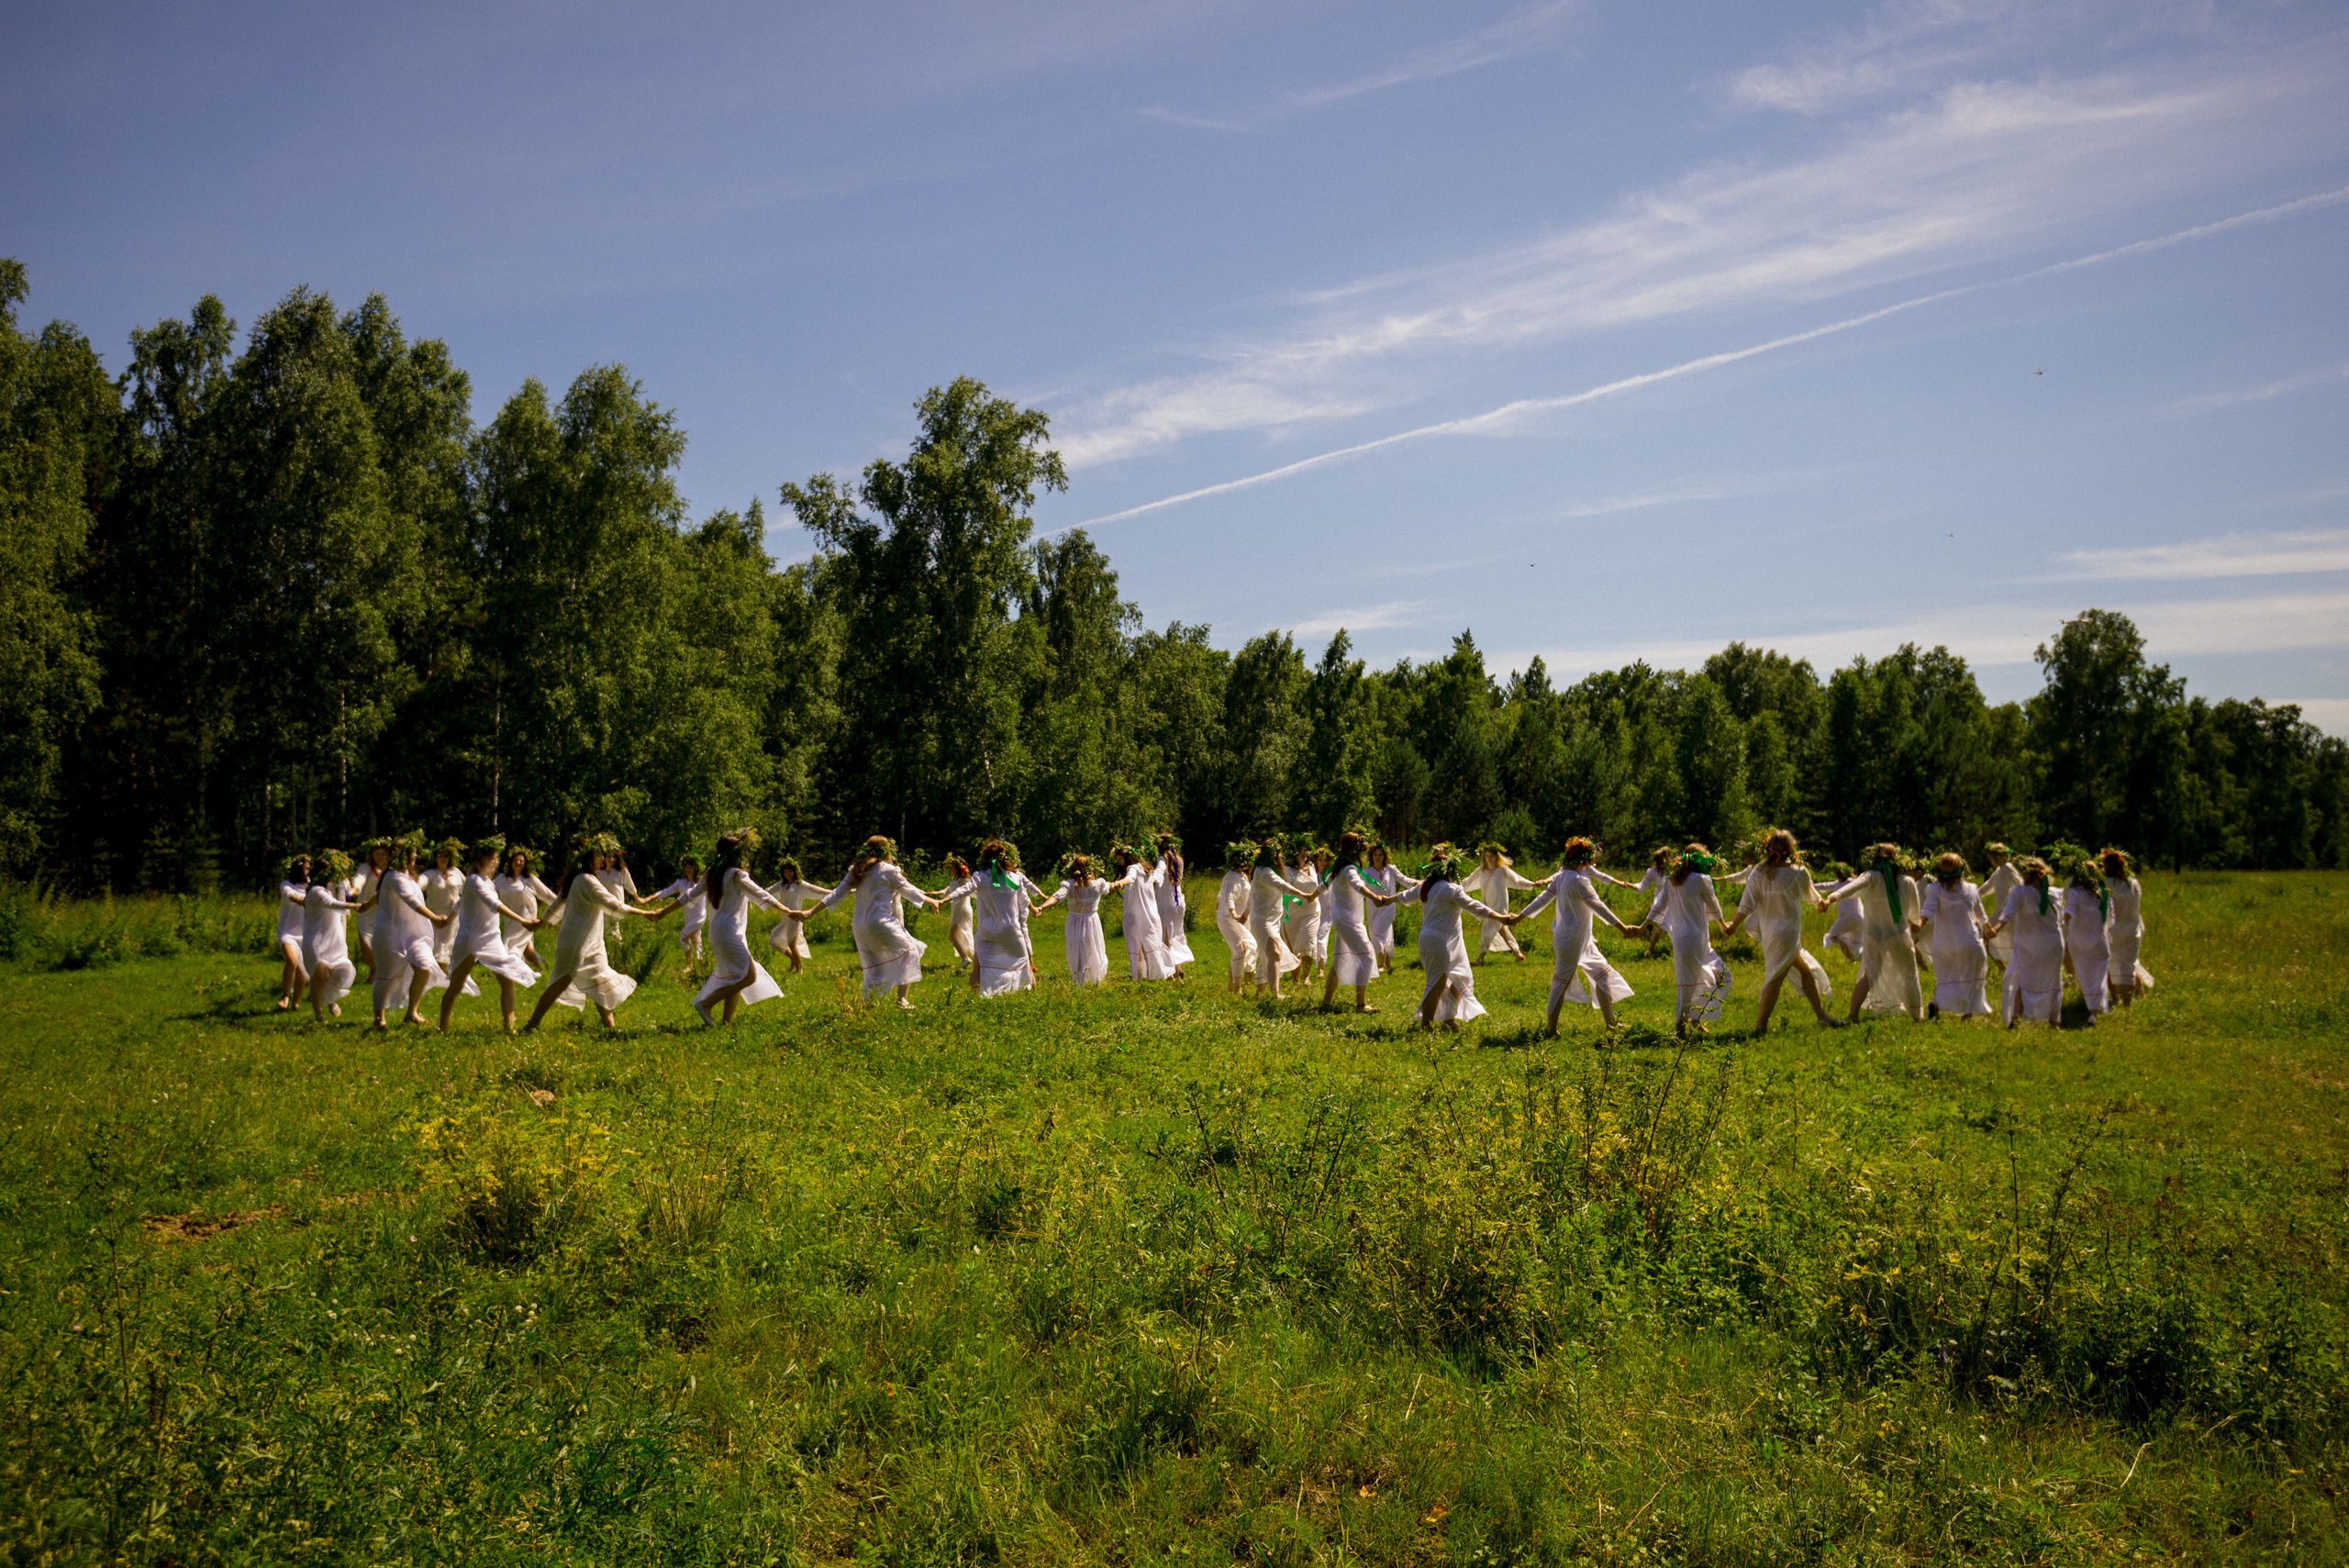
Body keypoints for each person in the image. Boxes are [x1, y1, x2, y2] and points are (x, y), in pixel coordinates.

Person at [524, 844, 673, 1030]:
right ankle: (531, 1024)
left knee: (599, 981)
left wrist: (540, 924)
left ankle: (610, 1027)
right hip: (576, 942)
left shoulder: (580, 878)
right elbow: (612, 903)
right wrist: (643, 913)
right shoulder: (586, 880)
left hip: (591, 943)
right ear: (588, 859)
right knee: (560, 982)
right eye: (599, 856)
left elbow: (556, 905)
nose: (603, 859)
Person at [1720, 829, 1838, 1032]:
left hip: (1771, 933)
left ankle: (1822, 1016)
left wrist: (1734, 924)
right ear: (1791, 849)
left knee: (1805, 972)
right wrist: (1822, 903)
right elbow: (1813, 897)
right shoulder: (1798, 871)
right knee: (1775, 978)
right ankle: (1760, 1027)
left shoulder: (1758, 871)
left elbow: (1746, 904)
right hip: (1788, 933)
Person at [802, 835, 941, 1007]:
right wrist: (931, 901)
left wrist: (809, 912)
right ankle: (901, 1000)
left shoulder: (856, 870)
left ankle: (865, 1007)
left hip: (859, 928)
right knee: (911, 950)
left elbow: (836, 893)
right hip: (880, 922)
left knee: (873, 969)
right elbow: (909, 890)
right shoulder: (889, 870)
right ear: (887, 851)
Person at [1519, 837, 1636, 1033]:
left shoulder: (1562, 876)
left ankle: (1611, 1024)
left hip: (1582, 940)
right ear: (1585, 860)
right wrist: (1623, 928)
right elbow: (1599, 907)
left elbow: (1542, 899)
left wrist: (1519, 917)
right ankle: (1550, 1029)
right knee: (1560, 984)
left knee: (1603, 976)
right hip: (1571, 941)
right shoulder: (1578, 881)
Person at [1410, 845, 1523, 1029]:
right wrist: (1501, 917)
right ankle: (1426, 1025)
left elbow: (1402, 896)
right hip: (1441, 941)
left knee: (1462, 977)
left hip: (1438, 940)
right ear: (1450, 870)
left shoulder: (1427, 887)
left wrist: (1383, 900)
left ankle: (1448, 1019)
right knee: (1438, 983)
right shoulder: (1450, 889)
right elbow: (1476, 907)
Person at [439, 843, 548, 1034]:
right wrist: (523, 920)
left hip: (491, 939)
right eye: (493, 859)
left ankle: (509, 1028)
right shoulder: (473, 880)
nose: (497, 863)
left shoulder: (488, 881)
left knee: (508, 980)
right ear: (483, 860)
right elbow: (493, 904)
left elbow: (462, 903)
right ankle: (443, 1028)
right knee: (456, 984)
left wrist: (448, 919)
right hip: (471, 939)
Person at [1821, 842, 1925, 1022]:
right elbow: (1913, 915)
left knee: (1869, 975)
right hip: (1897, 934)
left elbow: (1849, 888)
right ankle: (1916, 1017)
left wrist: (1830, 899)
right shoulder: (1907, 881)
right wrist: (1914, 924)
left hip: (1874, 934)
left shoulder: (1871, 877)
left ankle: (1852, 1015)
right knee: (1908, 974)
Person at [1639, 843, 1733, 1037]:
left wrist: (1642, 927)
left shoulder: (1672, 879)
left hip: (1691, 939)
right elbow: (1714, 907)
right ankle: (1680, 1031)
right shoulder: (1700, 879)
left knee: (1721, 977)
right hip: (1694, 938)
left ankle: (1693, 1019)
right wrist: (1724, 926)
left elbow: (1658, 907)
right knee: (1688, 985)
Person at [370, 835, 454, 1029]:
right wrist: (434, 917)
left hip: (413, 935)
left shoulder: (410, 878)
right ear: (400, 855)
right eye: (410, 853)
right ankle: (379, 1019)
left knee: (424, 967)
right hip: (390, 935)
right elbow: (411, 901)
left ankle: (411, 1012)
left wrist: (367, 904)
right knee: (386, 975)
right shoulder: (393, 877)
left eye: (414, 853)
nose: (415, 856)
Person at [1317, 829, 1399, 1013]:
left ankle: (1326, 1004)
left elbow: (1323, 886)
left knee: (1338, 962)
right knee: (1368, 957)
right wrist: (1374, 896)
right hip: (1348, 921)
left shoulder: (1339, 868)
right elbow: (1358, 885)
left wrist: (1309, 896)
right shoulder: (1349, 869)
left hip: (1343, 919)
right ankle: (1361, 1005)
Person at [952, 840, 1047, 995]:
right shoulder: (1015, 878)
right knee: (1025, 965)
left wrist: (943, 900)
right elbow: (1023, 899)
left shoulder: (981, 877)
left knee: (978, 967)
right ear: (1007, 858)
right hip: (1011, 931)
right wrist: (1035, 909)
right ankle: (1034, 994)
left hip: (987, 933)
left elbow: (965, 889)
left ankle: (972, 997)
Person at [1984, 857, 2064, 1030]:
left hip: (2027, 945)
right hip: (2053, 944)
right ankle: (2053, 1022)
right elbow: (2061, 920)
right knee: (2052, 981)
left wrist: (1995, 929)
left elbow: (2007, 914)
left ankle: (2015, 1019)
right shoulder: (2056, 892)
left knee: (2019, 980)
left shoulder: (2019, 892)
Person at [1917, 852, 1992, 1020]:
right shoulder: (1971, 888)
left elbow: (1927, 911)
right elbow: (1980, 914)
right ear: (1961, 869)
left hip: (1943, 943)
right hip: (1968, 940)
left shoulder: (1934, 889)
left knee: (1946, 976)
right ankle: (1968, 1013)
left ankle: (1937, 1001)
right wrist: (1988, 929)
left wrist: (1919, 925)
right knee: (1973, 974)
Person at [1245, 840, 1315, 999]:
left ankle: (1259, 993)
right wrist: (1303, 895)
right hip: (1263, 921)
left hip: (1272, 920)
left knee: (1267, 955)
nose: (1282, 856)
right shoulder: (1264, 872)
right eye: (1279, 853)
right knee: (1275, 953)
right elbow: (1282, 886)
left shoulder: (1266, 870)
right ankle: (1275, 993)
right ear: (1273, 855)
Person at [1034, 850, 1113, 986]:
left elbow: (1056, 897)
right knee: (1093, 947)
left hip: (1075, 921)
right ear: (1090, 867)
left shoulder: (1070, 885)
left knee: (1077, 949)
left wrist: (1042, 906)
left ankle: (1079, 978)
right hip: (1091, 920)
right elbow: (1111, 888)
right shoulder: (1098, 884)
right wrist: (1121, 882)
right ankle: (1095, 978)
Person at [300, 850, 362, 1020]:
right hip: (317, 941)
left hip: (334, 938)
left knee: (343, 970)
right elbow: (331, 903)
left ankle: (330, 998)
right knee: (320, 977)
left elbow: (347, 892)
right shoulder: (316, 892)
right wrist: (355, 906)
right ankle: (318, 1015)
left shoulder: (336, 887)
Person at [1103, 844, 1176, 981]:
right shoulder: (1147, 869)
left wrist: (1119, 882)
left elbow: (1129, 878)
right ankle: (1157, 976)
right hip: (1152, 915)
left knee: (1137, 948)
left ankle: (1140, 979)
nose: (1120, 863)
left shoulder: (1132, 868)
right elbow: (1157, 876)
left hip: (1136, 915)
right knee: (1152, 946)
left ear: (1127, 857)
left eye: (1120, 860)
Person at [494, 841, 561, 975]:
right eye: (517, 860)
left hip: (527, 915)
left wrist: (560, 904)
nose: (519, 863)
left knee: (509, 941)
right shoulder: (501, 879)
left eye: (522, 861)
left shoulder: (529, 879)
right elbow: (489, 891)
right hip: (510, 915)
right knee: (526, 946)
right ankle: (538, 970)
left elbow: (547, 894)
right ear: (511, 862)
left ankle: (507, 970)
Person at [1464, 843, 1539, 964]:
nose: (1489, 858)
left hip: (1499, 904)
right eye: (1487, 856)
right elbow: (1468, 881)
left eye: (1491, 856)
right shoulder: (1480, 871)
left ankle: (1480, 959)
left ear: (1497, 857)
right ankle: (1518, 953)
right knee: (1502, 930)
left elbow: (1517, 880)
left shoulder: (1502, 871)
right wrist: (1453, 887)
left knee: (1487, 928)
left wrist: (1532, 884)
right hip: (1487, 903)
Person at [2061, 858, 2112, 1022]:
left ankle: (2090, 1004)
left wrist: (2057, 922)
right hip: (2098, 938)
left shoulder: (2076, 892)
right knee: (2099, 973)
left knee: (2084, 972)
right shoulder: (2104, 894)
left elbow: (2070, 911)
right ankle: (2094, 1010)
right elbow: (2111, 919)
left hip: (2077, 940)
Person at [2101, 849, 2154, 1006]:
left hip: (2111, 931)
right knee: (2128, 967)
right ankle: (2127, 1004)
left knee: (2108, 965)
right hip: (2132, 930)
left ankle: (2115, 998)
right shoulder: (2133, 883)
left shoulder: (2105, 885)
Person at [1364, 840, 1419, 974]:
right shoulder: (1366, 872)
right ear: (1372, 856)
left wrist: (1419, 883)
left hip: (1388, 906)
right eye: (1375, 854)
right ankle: (1388, 965)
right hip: (1373, 908)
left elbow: (1405, 881)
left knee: (1377, 934)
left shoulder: (1391, 869)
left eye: (1380, 854)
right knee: (1378, 934)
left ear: (1384, 856)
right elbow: (1360, 885)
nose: (1377, 857)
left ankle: (1381, 965)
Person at [650, 855, 707, 965]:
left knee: (683, 936)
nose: (688, 870)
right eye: (686, 867)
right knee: (696, 938)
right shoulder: (681, 883)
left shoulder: (701, 883)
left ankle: (689, 964)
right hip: (689, 916)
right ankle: (700, 964)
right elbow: (666, 891)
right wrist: (650, 898)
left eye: (691, 867)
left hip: (699, 916)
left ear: (696, 868)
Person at [1215, 843, 1257, 993]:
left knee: (1240, 950)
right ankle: (1237, 988)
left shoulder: (1243, 876)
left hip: (1240, 919)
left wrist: (1245, 913)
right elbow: (1228, 897)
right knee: (1241, 948)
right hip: (1228, 918)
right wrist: (1234, 913)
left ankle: (1232, 986)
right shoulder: (1232, 876)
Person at [420, 839, 466, 973]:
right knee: (435, 945)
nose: (443, 859)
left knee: (448, 944)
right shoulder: (430, 874)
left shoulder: (456, 872)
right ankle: (434, 974)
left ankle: (445, 974)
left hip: (453, 915)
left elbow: (468, 890)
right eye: (440, 856)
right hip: (434, 915)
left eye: (446, 856)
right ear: (435, 857)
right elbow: (420, 884)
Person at [764, 857, 815, 974]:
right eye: (786, 872)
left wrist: (837, 893)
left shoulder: (800, 885)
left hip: (795, 918)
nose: (788, 874)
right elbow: (765, 892)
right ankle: (793, 960)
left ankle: (799, 970)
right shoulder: (781, 885)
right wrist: (751, 893)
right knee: (773, 940)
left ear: (794, 871)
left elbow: (818, 891)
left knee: (792, 944)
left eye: (790, 871)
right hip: (785, 919)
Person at [1282, 840, 1323, 984]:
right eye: (1301, 854)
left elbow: (1317, 886)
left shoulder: (1311, 867)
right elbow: (1286, 892)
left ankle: (1306, 976)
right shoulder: (1288, 871)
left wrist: (1311, 899)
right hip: (1293, 914)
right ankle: (1295, 980)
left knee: (1308, 941)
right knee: (1293, 947)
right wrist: (1302, 900)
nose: (1304, 857)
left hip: (1312, 912)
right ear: (1294, 855)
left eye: (1306, 854)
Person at [274, 854, 312, 1010]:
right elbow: (292, 897)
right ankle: (285, 996)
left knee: (302, 973)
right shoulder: (286, 885)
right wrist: (307, 901)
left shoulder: (310, 884)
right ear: (297, 869)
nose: (307, 872)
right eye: (305, 868)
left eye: (309, 869)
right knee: (291, 960)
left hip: (304, 933)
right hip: (287, 932)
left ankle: (295, 1003)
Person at [1154, 834, 1194, 978]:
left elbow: (1158, 874)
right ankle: (1178, 967)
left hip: (1165, 904)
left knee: (1165, 938)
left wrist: (1150, 879)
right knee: (1175, 935)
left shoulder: (1162, 859)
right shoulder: (1179, 860)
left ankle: (1171, 972)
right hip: (1178, 903)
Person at [1980, 844, 2021, 973]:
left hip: (2010, 912)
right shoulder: (1999, 870)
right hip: (2002, 911)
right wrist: (1970, 897)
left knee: (1986, 936)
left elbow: (2018, 887)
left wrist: (2005, 908)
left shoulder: (2008, 869)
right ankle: (2003, 968)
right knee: (1985, 937)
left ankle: (2010, 969)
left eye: (1991, 857)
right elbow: (1987, 887)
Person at [933, 854, 977, 972]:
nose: (950, 870)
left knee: (952, 936)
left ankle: (966, 958)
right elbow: (947, 891)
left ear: (957, 868)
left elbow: (972, 890)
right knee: (957, 936)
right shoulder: (954, 880)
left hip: (962, 910)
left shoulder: (964, 881)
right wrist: (933, 894)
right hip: (956, 910)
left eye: (952, 868)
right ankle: (966, 959)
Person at [1820, 861, 1867, 962]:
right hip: (1858, 918)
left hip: (1848, 917)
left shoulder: (1851, 881)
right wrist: (1809, 886)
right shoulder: (1838, 883)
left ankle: (1851, 958)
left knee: (1832, 936)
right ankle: (1856, 959)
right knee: (1855, 942)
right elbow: (1824, 886)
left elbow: (1861, 883)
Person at [1634, 846, 1675, 958]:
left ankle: (1651, 949)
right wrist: (1630, 886)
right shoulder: (1654, 872)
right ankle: (1678, 950)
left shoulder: (1674, 869)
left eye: (1667, 857)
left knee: (1662, 928)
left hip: (1673, 902)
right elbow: (1642, 885)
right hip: (1660, 903)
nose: (1665, 860)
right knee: (1664, 926)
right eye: (1662, 858)